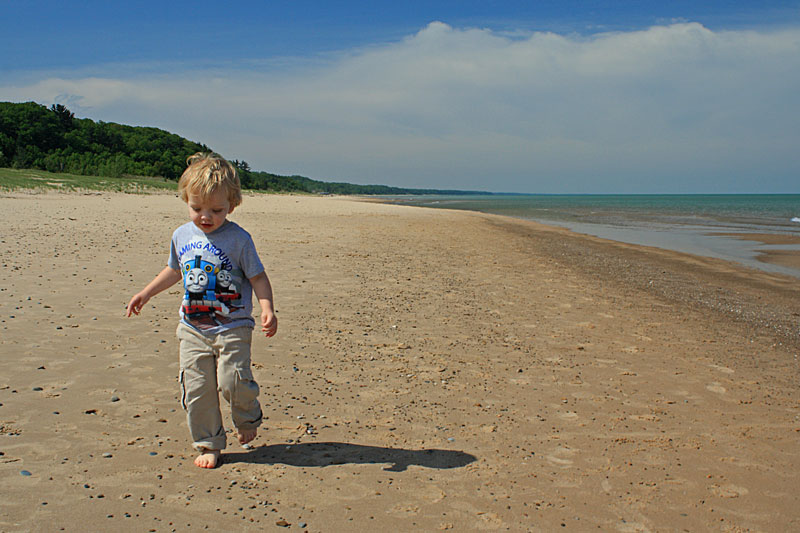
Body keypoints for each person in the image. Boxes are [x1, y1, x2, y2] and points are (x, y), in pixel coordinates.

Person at [126, 152, 277, 469]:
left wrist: (267, 308)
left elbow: (257, 276)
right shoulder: (182, 235)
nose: (205, 216)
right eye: (196, 208)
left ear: (231, 206)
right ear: (186, 201)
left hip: (233, 325)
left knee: (232, 381)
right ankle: (209, 443)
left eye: (216, 210)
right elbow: (174, 270)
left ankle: (247, 417)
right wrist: (146, 293)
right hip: (193, 328)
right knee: (197, 389)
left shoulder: (239, 239)